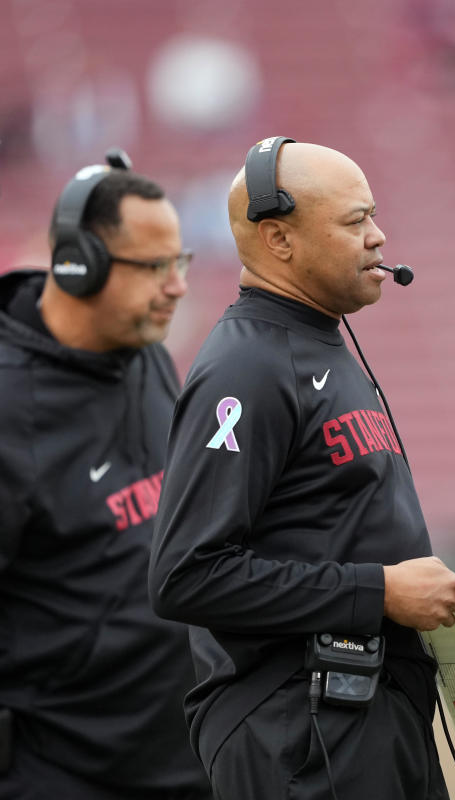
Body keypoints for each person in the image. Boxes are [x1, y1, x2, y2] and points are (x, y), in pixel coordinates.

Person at [148, 138, 455, 800]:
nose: (379, 238)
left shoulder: (319, 345)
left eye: (374, 217)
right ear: (279, 239)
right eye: (355, 222)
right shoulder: (247, 368)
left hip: (360, 716)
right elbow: (186, 575)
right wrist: (379, 592)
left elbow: (339, 539)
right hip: (299, 735)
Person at [0, 153, 209, 799]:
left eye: (181, 263)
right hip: (64, 775)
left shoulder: (148, 355)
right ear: (77, 264)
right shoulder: (8, 407)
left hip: (188, 760)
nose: (176, 286)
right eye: (154, 267)